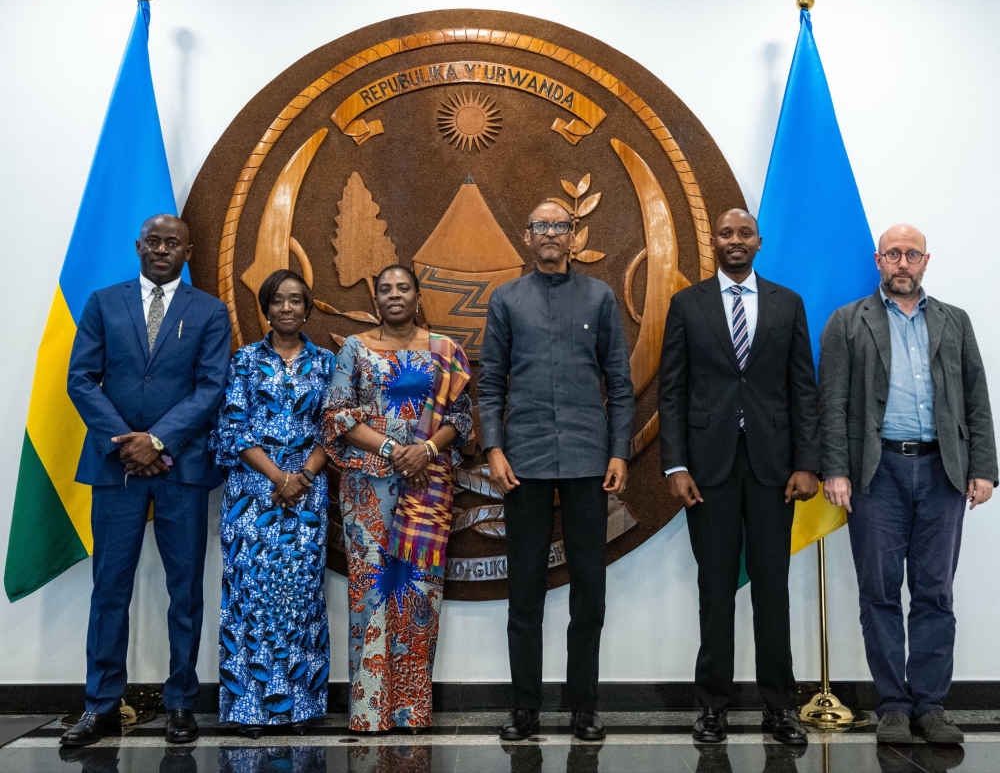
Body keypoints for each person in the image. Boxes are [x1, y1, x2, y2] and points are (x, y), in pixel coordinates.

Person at [819, 224, 997, 745]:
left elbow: (976, 399)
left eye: (911, 254)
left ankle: (931, 706)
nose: (902, 262)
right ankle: (893, 704)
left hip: (943, 473)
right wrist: (835, 469)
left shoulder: (954, 322)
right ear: (877, 260)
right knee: (878, 593)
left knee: (934, 592)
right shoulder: (848, 322)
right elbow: (831, 404)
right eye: (893, 253)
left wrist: (982, 467)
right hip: (877, 474)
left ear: (925, 260)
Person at [61, 214, 231, 747]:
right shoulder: (102, 302)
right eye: (153, 242)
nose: (162, 249)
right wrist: (127, 442)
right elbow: (81, 379)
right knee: (109, 588)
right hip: (116, 468)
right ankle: (102, 705)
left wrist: (156, 440)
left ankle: (181, 703)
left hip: (181, 466)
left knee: (184, 590)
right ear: (138, 246)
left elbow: (212, 387)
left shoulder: (209, 310)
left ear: (189, 250)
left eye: (172, 243)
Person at [658, 208, 820, 746]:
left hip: (776, 470)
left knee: (773, 590)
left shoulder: (787, 303)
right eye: (725, 233)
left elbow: (803, 390)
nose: (734, 240)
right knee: (715, 589)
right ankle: (712, 708)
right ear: (714, 241)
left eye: (743, 233)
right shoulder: (687, 304)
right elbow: (673, 391)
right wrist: (676, 464)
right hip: (709, 469)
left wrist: (807, 462)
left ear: (758, 241)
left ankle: (781, 707)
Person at [479, 200, 634, 742]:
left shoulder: (600, 297)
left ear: (573, 235)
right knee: (525, 590)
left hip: (591, 462)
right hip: (523, 463)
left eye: (560, 225)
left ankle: (583, 707)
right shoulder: (506, 300)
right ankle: (524, 709)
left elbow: (619, 382)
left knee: (589, 588)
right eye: (541, 224)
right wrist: (493, 449)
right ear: (527, 236)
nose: (550, 233)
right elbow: (491, 383)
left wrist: (619, 452)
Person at [322, 264, 473, 733]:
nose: (393, 295)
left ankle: (411, 709)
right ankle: (369, 710)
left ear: (417, 295)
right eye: (384, 288)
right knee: (372, 589)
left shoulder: (445, 351)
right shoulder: (354, 349)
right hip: (368, 487)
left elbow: (462, 419)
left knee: (419, 590)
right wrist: (391, 449)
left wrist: (425, 449)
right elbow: (338, 416)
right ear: (376, 298)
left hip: (427, 487)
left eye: (402, 287)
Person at [210, 269, 334, 738]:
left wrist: (301, 475)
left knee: (300, 598)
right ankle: (249, 711)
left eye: (296, 300)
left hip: (307, 492)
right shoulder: (243, 361)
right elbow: (234, 428)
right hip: (251, 495)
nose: (287, 308)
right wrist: (279, 476)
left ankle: (301, 707)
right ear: (265, 308)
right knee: (250, 599)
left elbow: (333, 427)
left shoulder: (326, 362)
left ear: (307, 308)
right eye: (278, 300)